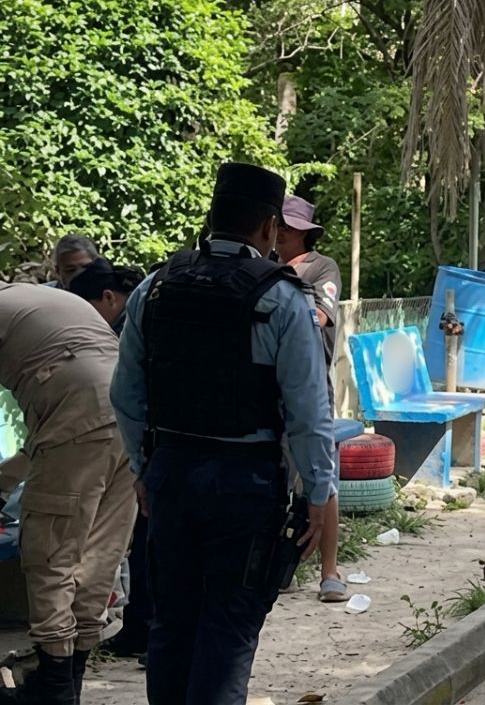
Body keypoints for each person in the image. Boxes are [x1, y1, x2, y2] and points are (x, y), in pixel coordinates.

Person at [110, 162, 337, 705]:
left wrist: (144, 471)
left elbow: (125, 395)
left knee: (172, 623)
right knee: (228, 630)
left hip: (171, 475)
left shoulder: (155, 287)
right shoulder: (282, 299)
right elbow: (309, 411)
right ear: (267, 227)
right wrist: (319, 493)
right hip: (246, 482)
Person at [0, 283, 137, 704]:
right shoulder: (37, 300)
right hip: (131, 414)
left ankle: (54, 685)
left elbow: (67, 427)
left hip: (80, 410)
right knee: (99, 552)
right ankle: (70, 676)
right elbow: (55, 436)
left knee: (51, 551)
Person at [66, 260, 152, 662]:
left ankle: (145, 634)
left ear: (107, 298)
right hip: (151, 449)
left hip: (146, 449)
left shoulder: (126, 329)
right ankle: (141, 632)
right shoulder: (132, 317)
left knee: (150, 549)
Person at [273, 194, 347, 603]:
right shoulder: (263, 266)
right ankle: (277, 562)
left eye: (290, 226)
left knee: (323, 476)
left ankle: (330, 571)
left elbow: (319, 316)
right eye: (278, 225)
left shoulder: (321, 267)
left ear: (305, 232)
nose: (282, 233)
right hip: (269, 389)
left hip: (310, 386)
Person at [66, 259, 145, 335]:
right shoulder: (140, 311)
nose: (82, 320)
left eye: (86, 311)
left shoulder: (134, 328)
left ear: (108, 297)